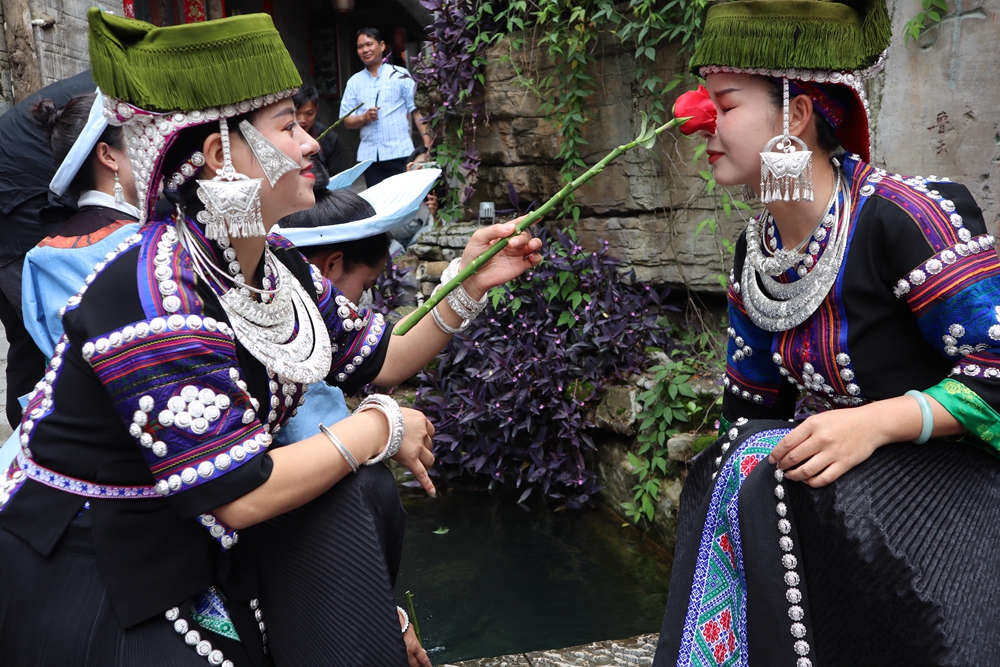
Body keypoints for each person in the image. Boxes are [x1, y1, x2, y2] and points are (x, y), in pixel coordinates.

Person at [0, 10, 541, 667]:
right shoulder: (156, 290)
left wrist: (470, 281)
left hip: (190, 537)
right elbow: (239, 494)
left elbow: (385, 356)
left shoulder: (270, 263)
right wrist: (379, 428)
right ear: (223, 157)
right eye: (286, 126)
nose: (311, 142)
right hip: (94, 570)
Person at [654, 1, 1000, 665]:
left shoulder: (906, 217)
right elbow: (749, 412)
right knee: (735, 458)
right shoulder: (758, 251)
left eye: (723, 103)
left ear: (797, 115)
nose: (701, 122)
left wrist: (875, 423)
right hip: (841, 500)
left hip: (942, 512)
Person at [0, 70, 95, 427]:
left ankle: (28, 433)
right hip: (16, 199)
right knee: (57, 330)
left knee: (28, 329)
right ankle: (45, 438)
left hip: (20, 191)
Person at [341, 27, 433, 188]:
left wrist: (427, 146)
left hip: (401, 153)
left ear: (382, 46)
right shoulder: (354, 82)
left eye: (369, 44)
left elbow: (417, 111)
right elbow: (346, 121)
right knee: (378, 206)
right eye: (360, 46)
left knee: (403, 200)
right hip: (370, 157)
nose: (365, 50)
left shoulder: (400, 74)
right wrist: (363, 117)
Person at [388, 146, 439, 251]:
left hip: (414, 242)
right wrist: (408, 183)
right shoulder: (396, 187)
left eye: (429, 165)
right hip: (391, 240)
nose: (423, 168)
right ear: (410, 166)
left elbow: (435, 230)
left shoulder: (434, 196)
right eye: (419, 164)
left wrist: (435, 215)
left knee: (426, 232)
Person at [292, 83, 344, 176]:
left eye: (309, 113)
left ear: (316, 109)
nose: (302, 120)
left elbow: (338, 176)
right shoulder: (280, 138)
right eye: (296, 113)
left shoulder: (329, 138)